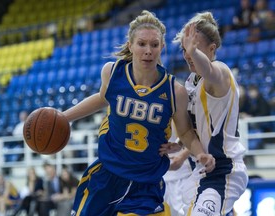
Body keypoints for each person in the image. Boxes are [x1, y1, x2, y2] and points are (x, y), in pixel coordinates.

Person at [62, 10, 215, 216]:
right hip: (107, 174)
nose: (148, 50)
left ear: (162, 47)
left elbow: (186, 132)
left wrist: (200, 154)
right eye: (142, 44)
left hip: (145, 184)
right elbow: (102, 98)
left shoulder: (174, 90)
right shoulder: (113, 72)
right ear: (130, 45)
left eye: (154, 45)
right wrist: (63, 117)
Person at [160, 11, 249, 216]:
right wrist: (182, 146)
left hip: (225, 168)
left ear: (212, 49)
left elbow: (208, 70)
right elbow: (199, 128)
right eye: (184, 49)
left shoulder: (220, 72)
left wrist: (193, 51)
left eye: (194, 48)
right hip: (203, 169)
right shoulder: (192, 82)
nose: (187, 55)